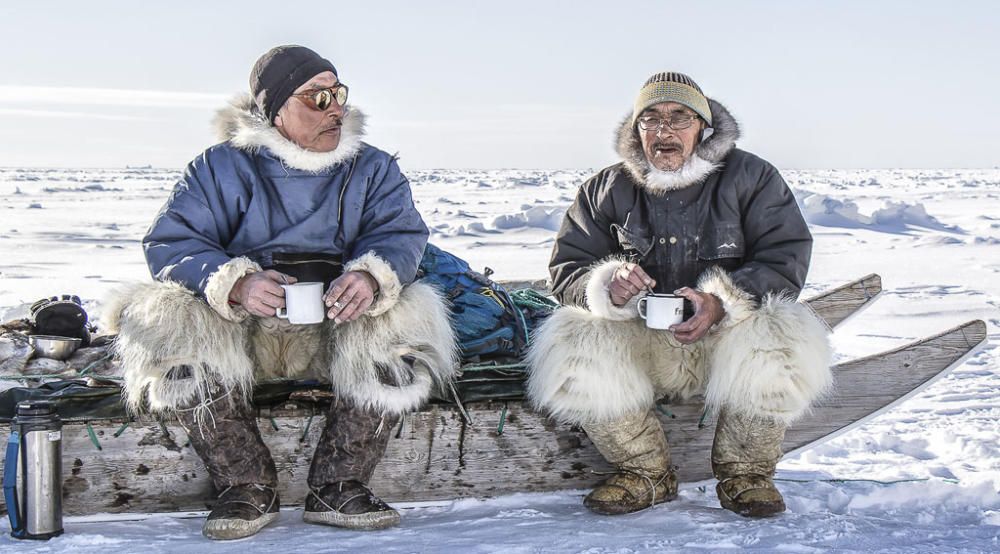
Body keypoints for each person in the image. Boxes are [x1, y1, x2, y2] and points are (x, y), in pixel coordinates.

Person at [105, 45, 457, 540]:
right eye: (317, 97)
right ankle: (246, 486)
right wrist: (236, 283)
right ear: (274, 110)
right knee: (161, 316)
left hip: (337, 337)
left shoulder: (373, 168)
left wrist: (371, 277)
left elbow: (400, 234)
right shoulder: (219, 167)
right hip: (241, 340)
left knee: (413, 312)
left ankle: (339, 484)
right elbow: (172, 243)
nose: (336, 107)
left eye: (339, 94)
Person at [527, 72, 832, 517]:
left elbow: (785, 255)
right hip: (642, 345)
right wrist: (609, 287)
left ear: (703, 129)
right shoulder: (604, 188)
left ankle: (746, 474)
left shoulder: (752, 177)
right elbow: (568, 267)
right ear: (637, 130)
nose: (664, 130)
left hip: (726, 344)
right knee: (569, 338)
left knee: (785, 329)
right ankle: (646, 472)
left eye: (679, 117)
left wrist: (722, 303)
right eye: (650, 119)